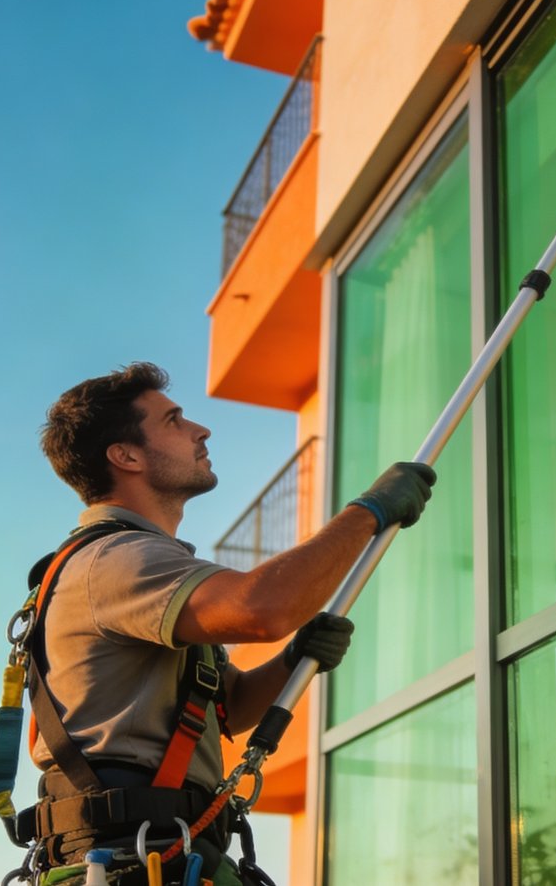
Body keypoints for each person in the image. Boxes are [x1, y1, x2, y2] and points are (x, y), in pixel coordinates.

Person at [27, 362, 436, 885]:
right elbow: (262, 609)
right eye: (173, 421)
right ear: (125, 456)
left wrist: (290, 661)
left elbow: (229, 709)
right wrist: (368, 513)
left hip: (162, 850)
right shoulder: (116, 560)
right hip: (132, 857)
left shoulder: (138, 563)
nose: (201, 430)